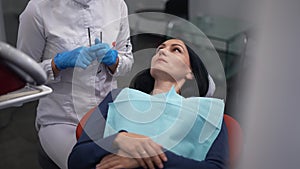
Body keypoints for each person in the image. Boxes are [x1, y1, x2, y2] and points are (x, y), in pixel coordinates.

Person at [68, 39, 229, 169]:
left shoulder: (207, 113)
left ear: (190, 73)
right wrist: (118, 139)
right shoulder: (118, 97)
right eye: (160, 48)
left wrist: (144, 158)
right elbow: (76, 160)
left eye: (176, 50)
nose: (163, 51)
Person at [16, 0, 133, 169]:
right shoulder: (37, 9)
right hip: (62, 118)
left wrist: (114, 59)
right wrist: (57, 64)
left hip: (107, 114)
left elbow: (127, 61)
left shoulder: (117, 4)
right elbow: (23, 76)